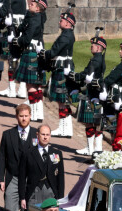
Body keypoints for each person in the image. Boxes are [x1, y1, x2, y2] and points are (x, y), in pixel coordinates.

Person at [0, 104, 37, 211]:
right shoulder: (8, 135)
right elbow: (2, 158)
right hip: (13, 179)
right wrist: (1, 178)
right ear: (16, 117)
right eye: (21, 116)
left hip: (30, 181)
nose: (24, 118)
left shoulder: (36, 134)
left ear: (30, 116)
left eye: (26, 116)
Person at [39, 5, 76, 138]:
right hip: (62, 67)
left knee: (62, 100)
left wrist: (43, 52)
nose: (59, 22)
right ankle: (67, 129)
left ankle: (63, 129)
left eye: (61, 20)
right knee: (63, 100)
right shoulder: (67, 34)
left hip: (62, 68)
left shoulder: (65, 36)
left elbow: (54, 52)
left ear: (67, 23)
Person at [69, 31, 107, 155]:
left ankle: (92, 149)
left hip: (92, 94)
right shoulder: (98, 58)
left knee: (90, 123)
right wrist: (78, 75)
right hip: (95, 93)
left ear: (99, 47)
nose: (91, 46)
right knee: (95, 123)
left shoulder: (96, 60)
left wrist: (75, 76)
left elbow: (87, 76)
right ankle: (95, 149)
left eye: (93, 45)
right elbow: (85, 72)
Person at [10, 0, 47, 121]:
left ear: (38, 9)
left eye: (33, 4)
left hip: (30, 52)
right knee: (36, 85)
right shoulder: (37, 17)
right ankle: (37, 113)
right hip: (34, 52)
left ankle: (33, 113)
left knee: (30, 85)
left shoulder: (34, 19)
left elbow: (26, 39)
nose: (30, 3)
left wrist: (17, 41)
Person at [18, 124, 64, 210]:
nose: (45, 137)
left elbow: (60, 178)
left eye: (47, 135)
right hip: (33, 192)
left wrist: (60, 199)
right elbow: (22, 177)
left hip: (51, 192)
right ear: (37, 135)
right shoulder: (28, 153)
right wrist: (22, 198)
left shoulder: (57, 153)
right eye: (43, 134)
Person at [0, 0, 27, 99]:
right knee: (22, 59)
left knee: (11, 59)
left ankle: (12, 89)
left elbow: (4, 10)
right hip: (23, 25)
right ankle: (22, 89)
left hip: (12, 26)